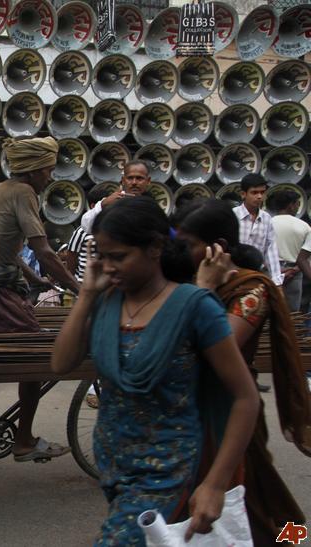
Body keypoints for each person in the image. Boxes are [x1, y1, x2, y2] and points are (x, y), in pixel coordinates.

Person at [52, 197, 259, 546]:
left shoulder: (193, 307)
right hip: (114, 466)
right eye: (102, 256)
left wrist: (215, 483)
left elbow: (245, 398)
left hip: (166, 467)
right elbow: (60, 363)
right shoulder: (106, 301)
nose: (108, 267)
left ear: (155, 248)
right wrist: (87, 293)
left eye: (119, 257)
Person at [174, 198, 311, 545]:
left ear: (217, 247)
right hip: (188, 406)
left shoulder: (251, 288)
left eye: (187, 245)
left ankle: (288, 539)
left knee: (252, 493)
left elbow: (218, 347)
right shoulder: (185, 279)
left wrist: (202, 290)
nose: (179, 252)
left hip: (232, 406)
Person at [0, 136, 79, 462]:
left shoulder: (1, 189)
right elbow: (45, 252)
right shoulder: (24, 193)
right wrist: (81, 288)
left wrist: (32, 277)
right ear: (34, 170)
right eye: (48, 171)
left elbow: (8, 246)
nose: (50, 177)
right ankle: (23, 440)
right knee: (37, 358)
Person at [233, 173, 283, 286]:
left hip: (256, 275)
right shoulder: (232, 215)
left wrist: (277, 281)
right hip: (233, 275)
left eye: (262, 192)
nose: (259, 196)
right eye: (254, 192)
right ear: (243, 194)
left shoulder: (267, 218)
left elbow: (271, 249)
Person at [80, 160, 151, 233]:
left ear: (148, 181)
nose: (134, 182)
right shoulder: (109, 203)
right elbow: (86, 226)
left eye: (139, 178)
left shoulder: (151, 206)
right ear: (123, 180)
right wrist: (103, 204)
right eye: (130, 178)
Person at [269, 190, 311, 312]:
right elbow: (306, 258)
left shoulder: (267, 224)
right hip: (295, 273)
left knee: (269, 310)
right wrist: (294, 270)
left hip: (269, 271)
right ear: (291, 205)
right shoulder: (305, 226)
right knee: (292, 313)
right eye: (297, 203)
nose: (298, 207)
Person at [66, 185, 107, 283]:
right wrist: (72, 282)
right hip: (82, 284)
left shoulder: (112, 229)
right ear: (94, 206)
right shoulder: (81, 231)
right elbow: (72, 255)